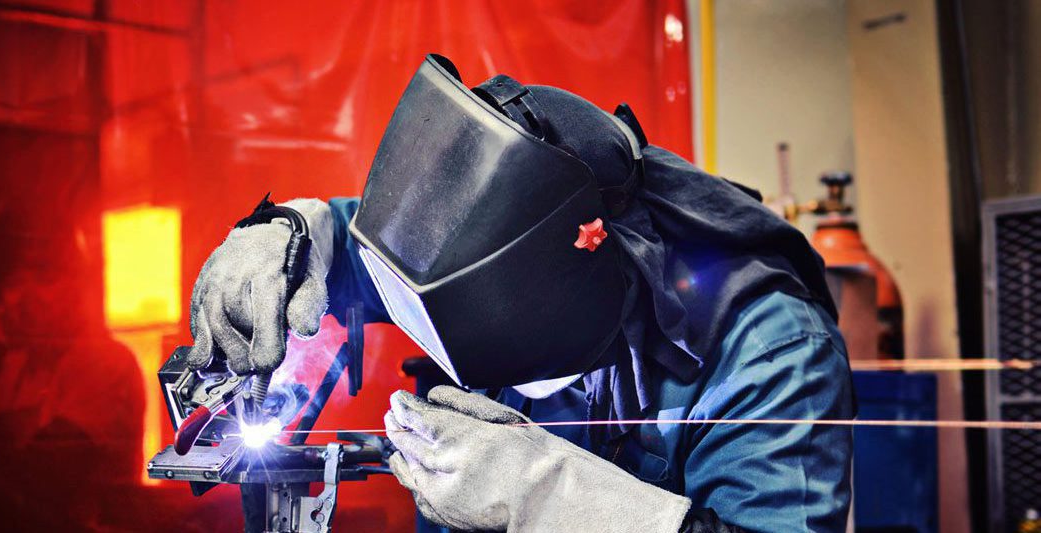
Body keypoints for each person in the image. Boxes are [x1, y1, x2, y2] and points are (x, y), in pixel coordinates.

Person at [187, 55, 853, 532]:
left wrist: (558, 499)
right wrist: (295, 232)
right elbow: (377, 253)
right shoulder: (485, 258)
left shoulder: (771, 355)